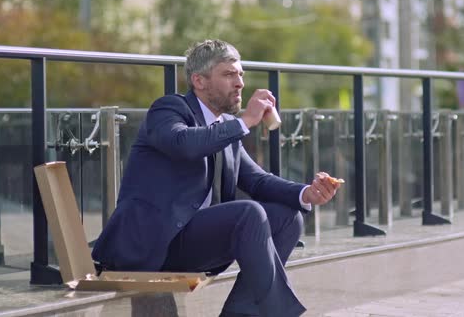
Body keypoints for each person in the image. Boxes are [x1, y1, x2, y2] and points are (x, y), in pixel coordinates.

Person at [92, 39, 341, 317]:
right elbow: (184, 143)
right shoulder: (168, 110)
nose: (240, 84)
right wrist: (245, 122)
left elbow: (257, 181)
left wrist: (306, 193)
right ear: (199, 81)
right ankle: (282, 313)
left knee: (287, 216)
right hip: (152, 245)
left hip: (191, 241)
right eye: (229, 74)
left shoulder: (225, 127)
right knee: (248, 212)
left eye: (241, 75)